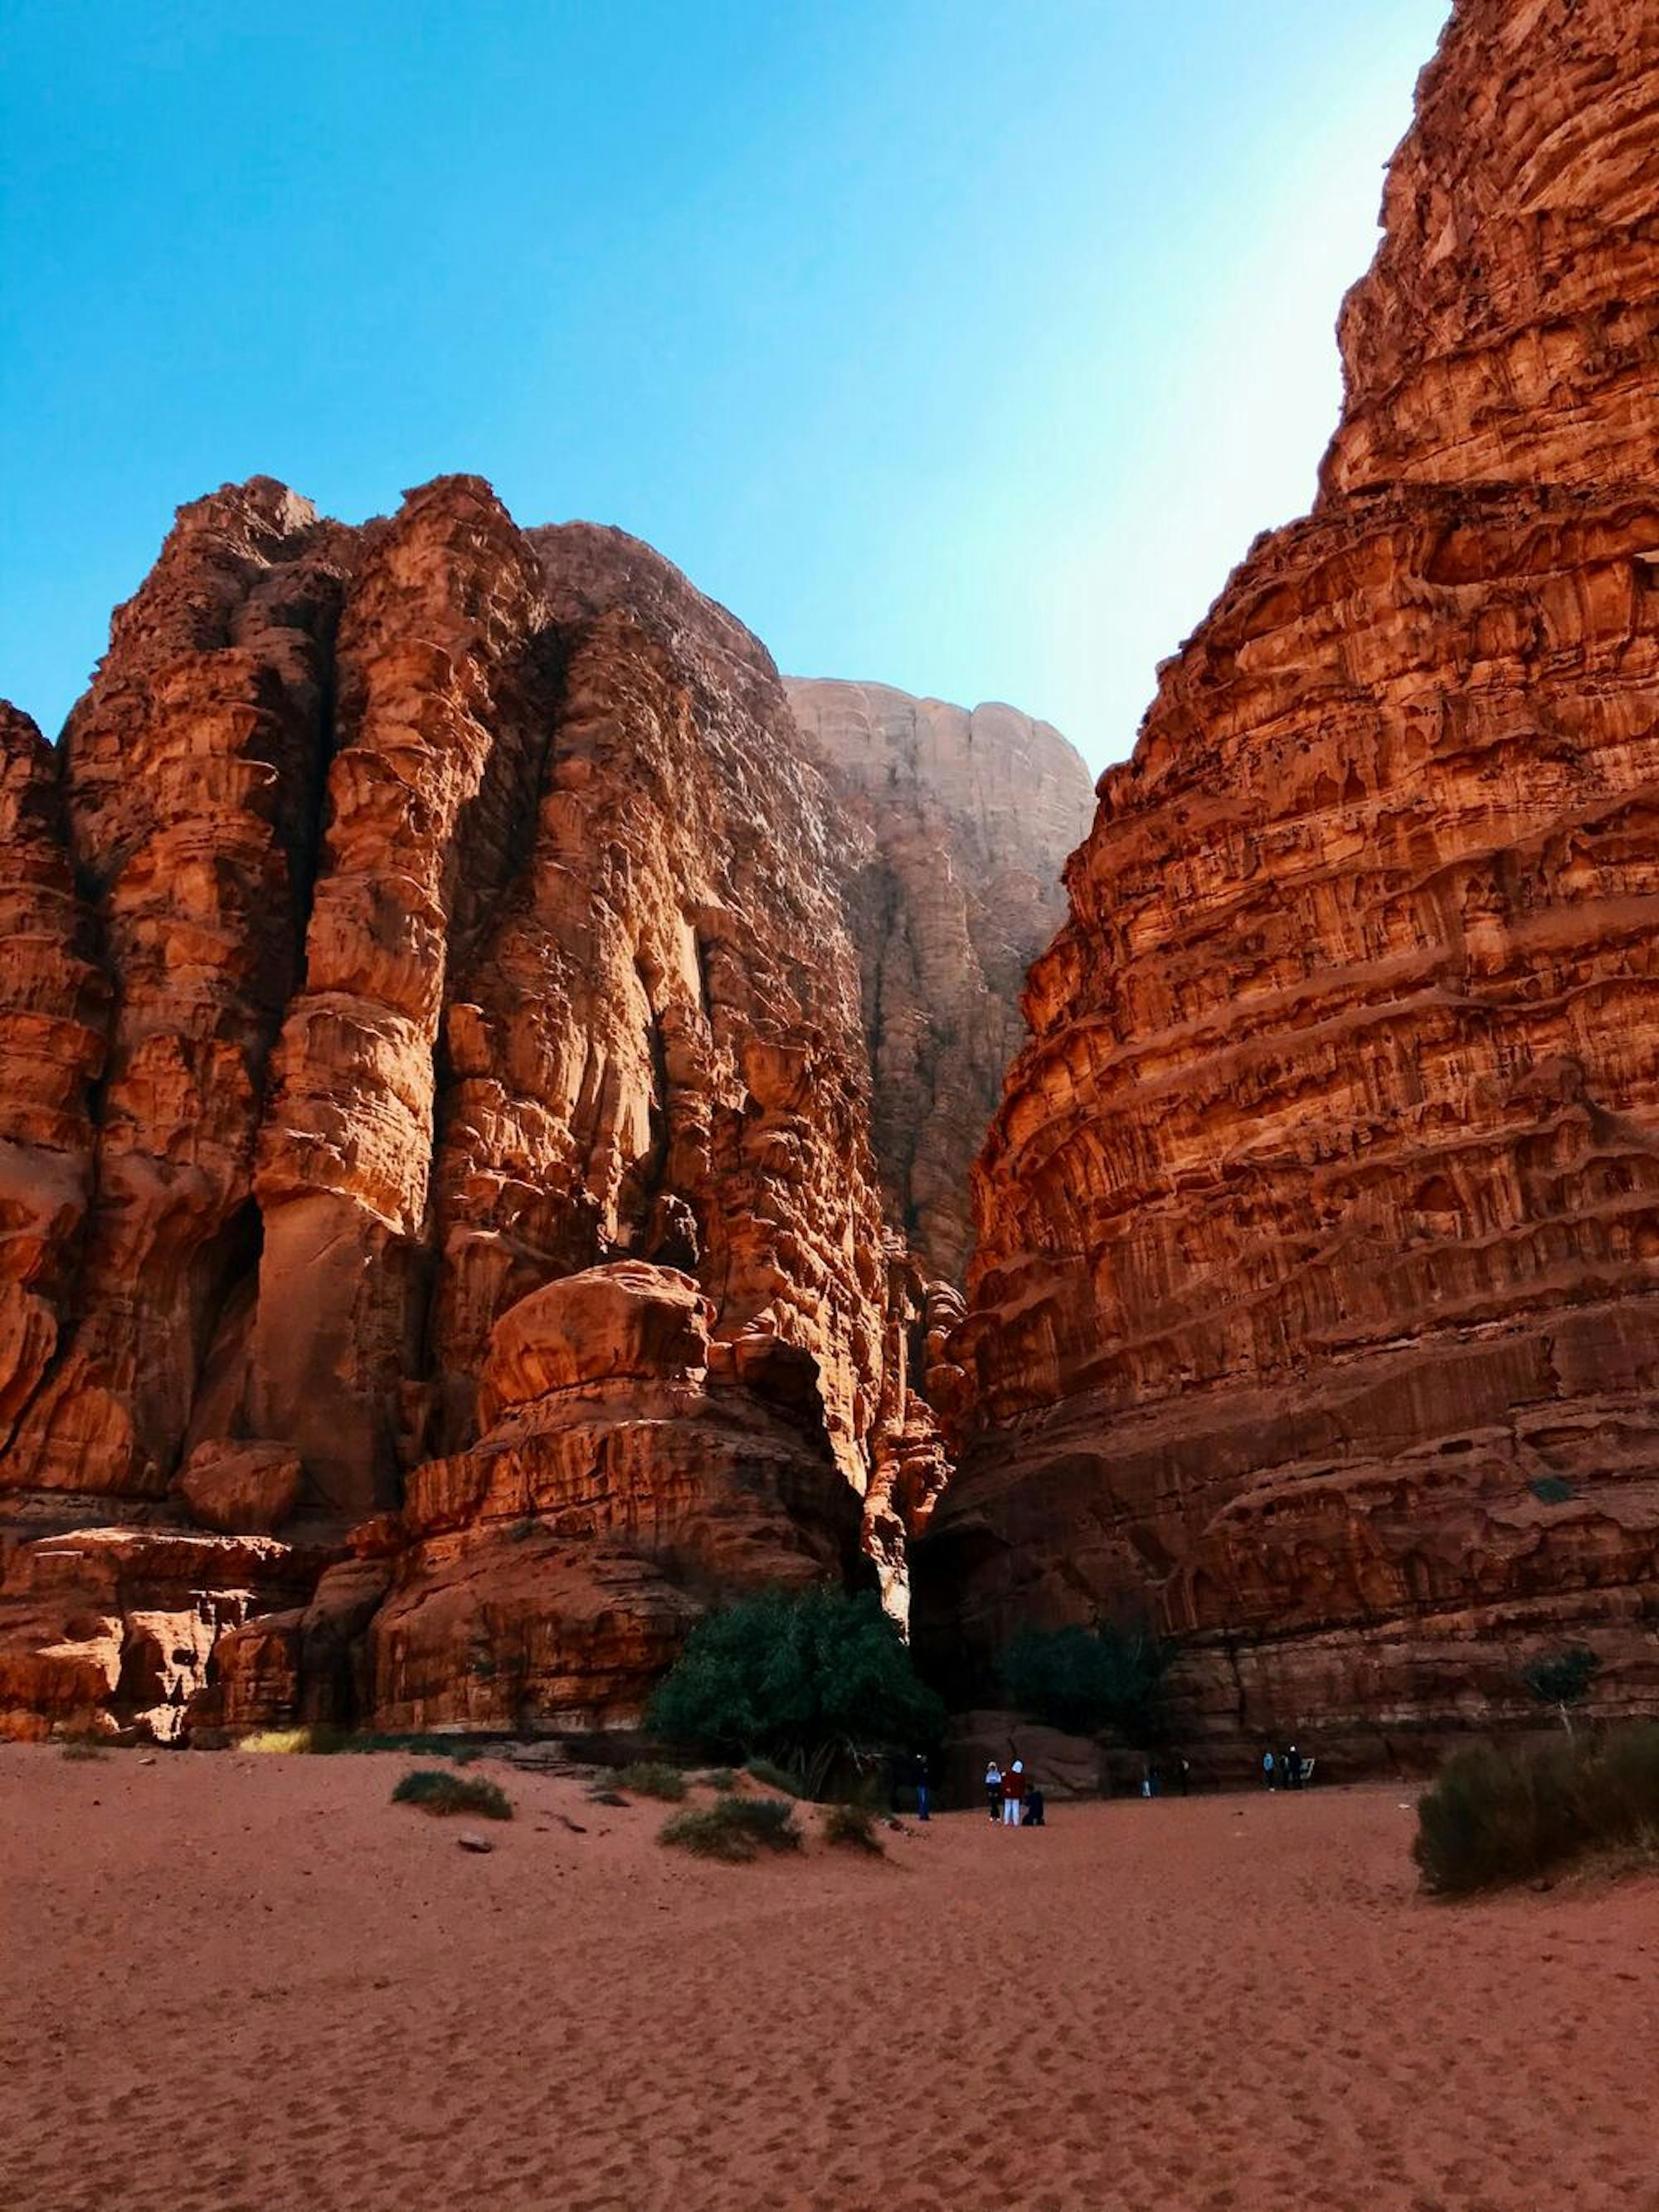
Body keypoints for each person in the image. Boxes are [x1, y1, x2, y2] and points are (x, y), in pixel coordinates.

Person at [1002, 1758, 1027, 1826]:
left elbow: (1003, 1782)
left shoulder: (1007, 1774)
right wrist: (1022, 1794)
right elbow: (1023, 1787)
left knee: (1007, 1808)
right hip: (1016, 1795)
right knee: (1015, 1808)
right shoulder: (1021, 1776)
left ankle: (1006, 1822)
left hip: (1008, 1794)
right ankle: (1016, 1822)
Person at [913, 1749, 930, 1822]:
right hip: (921, 1785)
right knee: (922, 1801)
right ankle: (922, 1815)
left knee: (925, 1801)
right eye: (923, 1758)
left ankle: (925, 1815)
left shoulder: (926, 1766)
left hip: (925, 1785)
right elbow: (916, 1757)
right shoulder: (919, 1766)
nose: (925, 1759)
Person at [985, 1759, 1003, 1823]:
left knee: (995, 1804)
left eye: (993, 1767)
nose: (992, 1768)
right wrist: (989, 1792)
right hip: (991, 1791)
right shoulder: (988, 1775)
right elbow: (987, 1784)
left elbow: (999, 1784)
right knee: (993, 1804)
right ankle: (994, 1816)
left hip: (996, 1791)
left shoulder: (998, 1774)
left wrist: (997, 1792)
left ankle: (996, 1816)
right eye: (991, 1767)